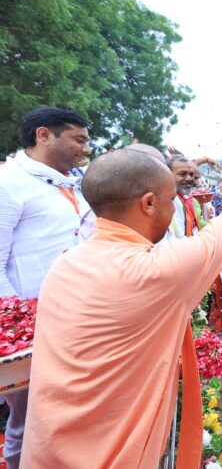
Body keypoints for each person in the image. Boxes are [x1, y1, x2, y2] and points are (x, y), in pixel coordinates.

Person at [20, 110, 222, 467]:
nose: (177, 210)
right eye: (172, 200)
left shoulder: (64, 264)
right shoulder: (160, 270)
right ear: (149, 203)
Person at [0, 107, 91, 468]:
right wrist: (20, 326)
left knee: (71, 416)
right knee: (29, 420)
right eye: (79, 139)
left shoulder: (76, 182)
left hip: (78, 317)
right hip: (32, 328)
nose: (86, 149)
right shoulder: (8, 182)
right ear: (44, 135)